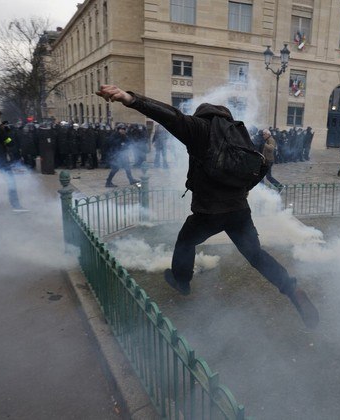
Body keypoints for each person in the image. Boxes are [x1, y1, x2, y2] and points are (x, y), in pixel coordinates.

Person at [95, 85, 319, 329]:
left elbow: (170, 116)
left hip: (209, 211)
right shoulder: (238, 133)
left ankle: (182, 281)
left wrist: (130, 97)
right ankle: (291, 288)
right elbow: (254, 171)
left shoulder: (200, 128)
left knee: (185, 241)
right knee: (256, 255)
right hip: (238, 211)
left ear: (203, 115)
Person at [0, 106, 29, 215]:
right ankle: (16, 206)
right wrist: (5, 131)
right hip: (0, 160)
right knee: (11, 182)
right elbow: (9, 142)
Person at [104, 123, 140, 187]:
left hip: (123, 154)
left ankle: (131, 180)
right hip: (116, 155)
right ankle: (108, 182)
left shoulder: (124, 135)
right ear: (118, 129)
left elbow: (128, 142)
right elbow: (112, 143)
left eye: (124, 129)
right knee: (115, 168)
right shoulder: (114, 135)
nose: (123, 130)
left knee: (127, 167)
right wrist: (121, 143)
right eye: (121, 129)